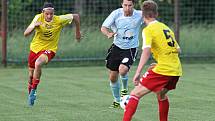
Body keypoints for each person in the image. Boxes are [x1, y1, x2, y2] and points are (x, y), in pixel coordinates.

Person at [122, 0, 182, 121]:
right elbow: (178, 50)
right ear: (156, 14)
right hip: (175, 70)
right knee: (161, 94)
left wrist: (138, 72)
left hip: (163, 69)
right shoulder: (166, 28)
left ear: (143, 15)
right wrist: (161, 61)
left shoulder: (148, 30)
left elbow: (146, 50)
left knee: (135, 94)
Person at [24, 2, 81, 106]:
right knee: (30, 76)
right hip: (35, 49)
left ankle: (34, 90)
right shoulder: (38, 18)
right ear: (43, 13)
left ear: (54, 13)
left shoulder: (58, 19)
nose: (49, 16)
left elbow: (76, 16)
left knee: (38, 63)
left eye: (51, 14)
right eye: (47, 14)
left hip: (50, 49)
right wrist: (33, 27)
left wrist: (77, 32)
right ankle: (30, 95)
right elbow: (26, 34)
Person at [101, 0, 142, 108]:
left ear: (134, 5)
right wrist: (108, 33)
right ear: (122, 5)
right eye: (125, 5)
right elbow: (103, 27)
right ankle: (117, 101)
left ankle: (124, 89)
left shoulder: (140, 14)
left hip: (130, 48)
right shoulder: (116, 14)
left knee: (123, 70)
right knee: (113, 77)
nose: (127, 8)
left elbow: (151, 19)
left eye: (130, 5)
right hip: (117, 47)